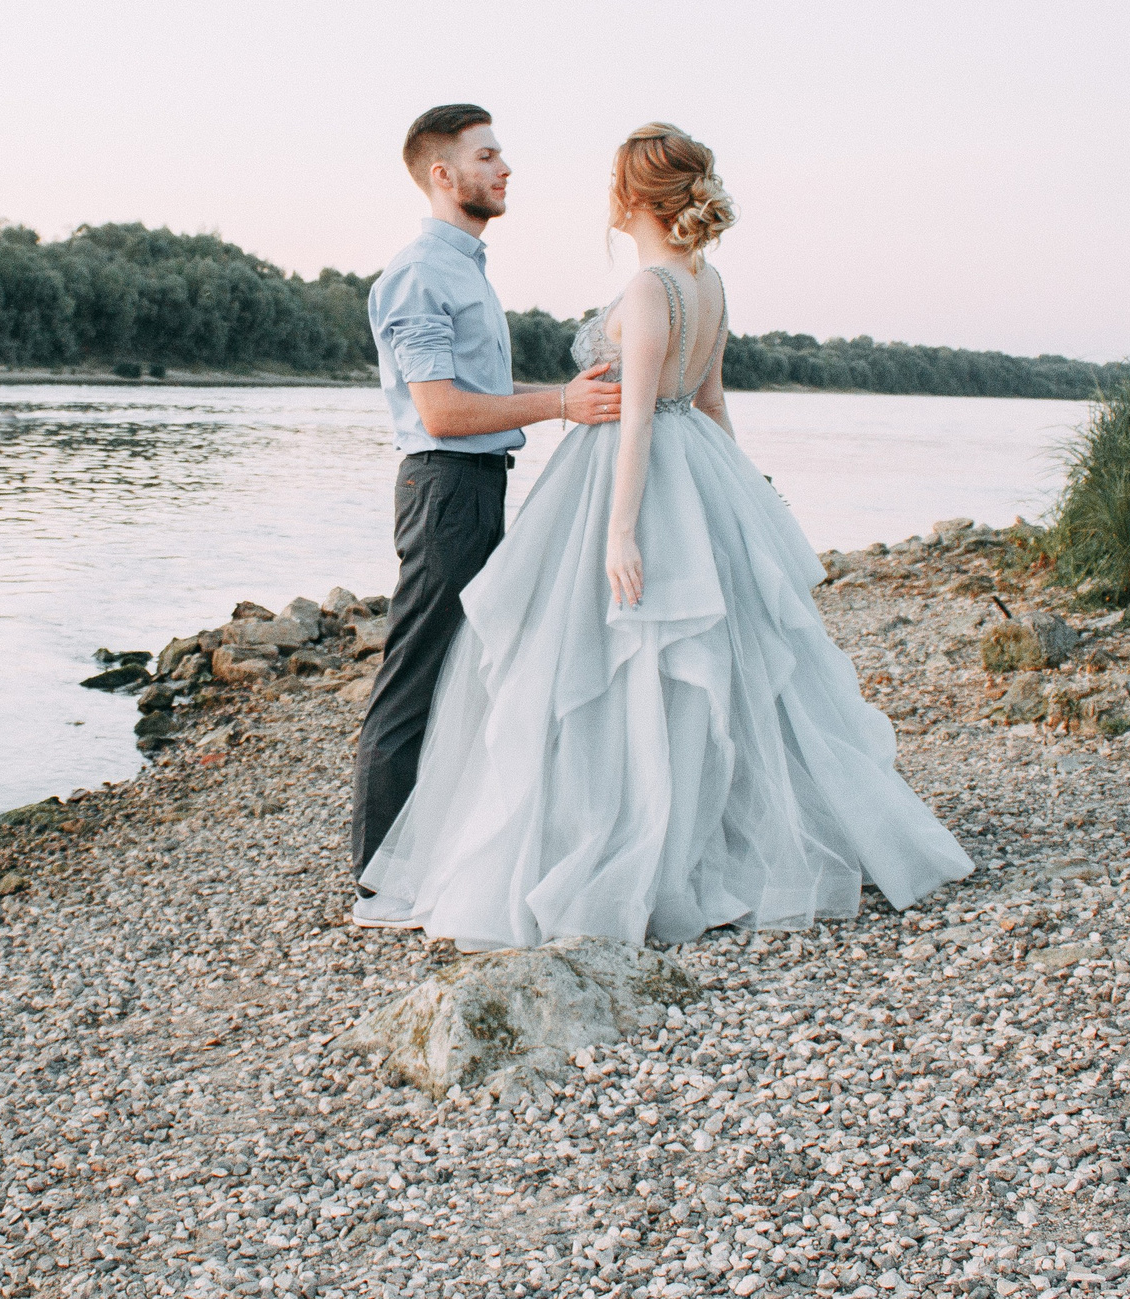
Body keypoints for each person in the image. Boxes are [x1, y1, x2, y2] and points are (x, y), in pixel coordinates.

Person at [354, 122, 973, 950]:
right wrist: (745, 490)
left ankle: (614, 834)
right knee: (688, 665)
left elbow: (641, 413)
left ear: (631, 197)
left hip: (631, 479)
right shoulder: (704, 283)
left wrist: (619, 530)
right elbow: (710, 403)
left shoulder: (651, 288)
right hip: (683, 474)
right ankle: (397, 856)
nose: (507, 166)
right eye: (487, 155)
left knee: (610, 663)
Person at [351, 104, 621, 882]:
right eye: (487, 155)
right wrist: (561, 404)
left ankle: (437, 857)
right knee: (416, 682)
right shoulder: (419, 273)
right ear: (444, 174)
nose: (505, 169)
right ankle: (376, 879)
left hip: (473, 486)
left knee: (475, 673)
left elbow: (481, 395)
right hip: (444, 490)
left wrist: (575, 393)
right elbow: (441, 411)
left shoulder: (464, 267)